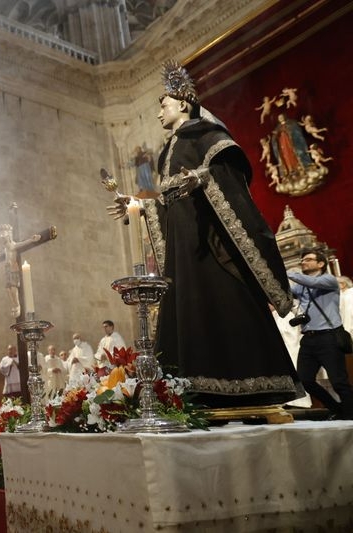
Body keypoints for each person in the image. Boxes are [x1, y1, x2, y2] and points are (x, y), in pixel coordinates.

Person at [109, 60, 301, 408]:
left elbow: (228, 174)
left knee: (222, 299)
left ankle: (252, 384)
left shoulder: (207, 136)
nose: (159, 114)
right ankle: (194, 387)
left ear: (183, 104)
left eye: (164, 105)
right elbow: (164, 200)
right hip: (182, 247)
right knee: (187, 306)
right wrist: (137, 204)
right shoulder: (166, 152)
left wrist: (202, 178)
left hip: (210, 241)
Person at [289, 250, 353, 419]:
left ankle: (350, 414)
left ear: (321, 264)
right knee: (304, 380)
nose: (303, 262)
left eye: (308, 259)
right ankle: (336, 409)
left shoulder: (329, 280)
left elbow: (311, 282)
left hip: (328, 337)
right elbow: (287, 292)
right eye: (302, 260)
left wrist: (287, 273)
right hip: (308, 339)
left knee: (339, 382)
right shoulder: (302, 285)